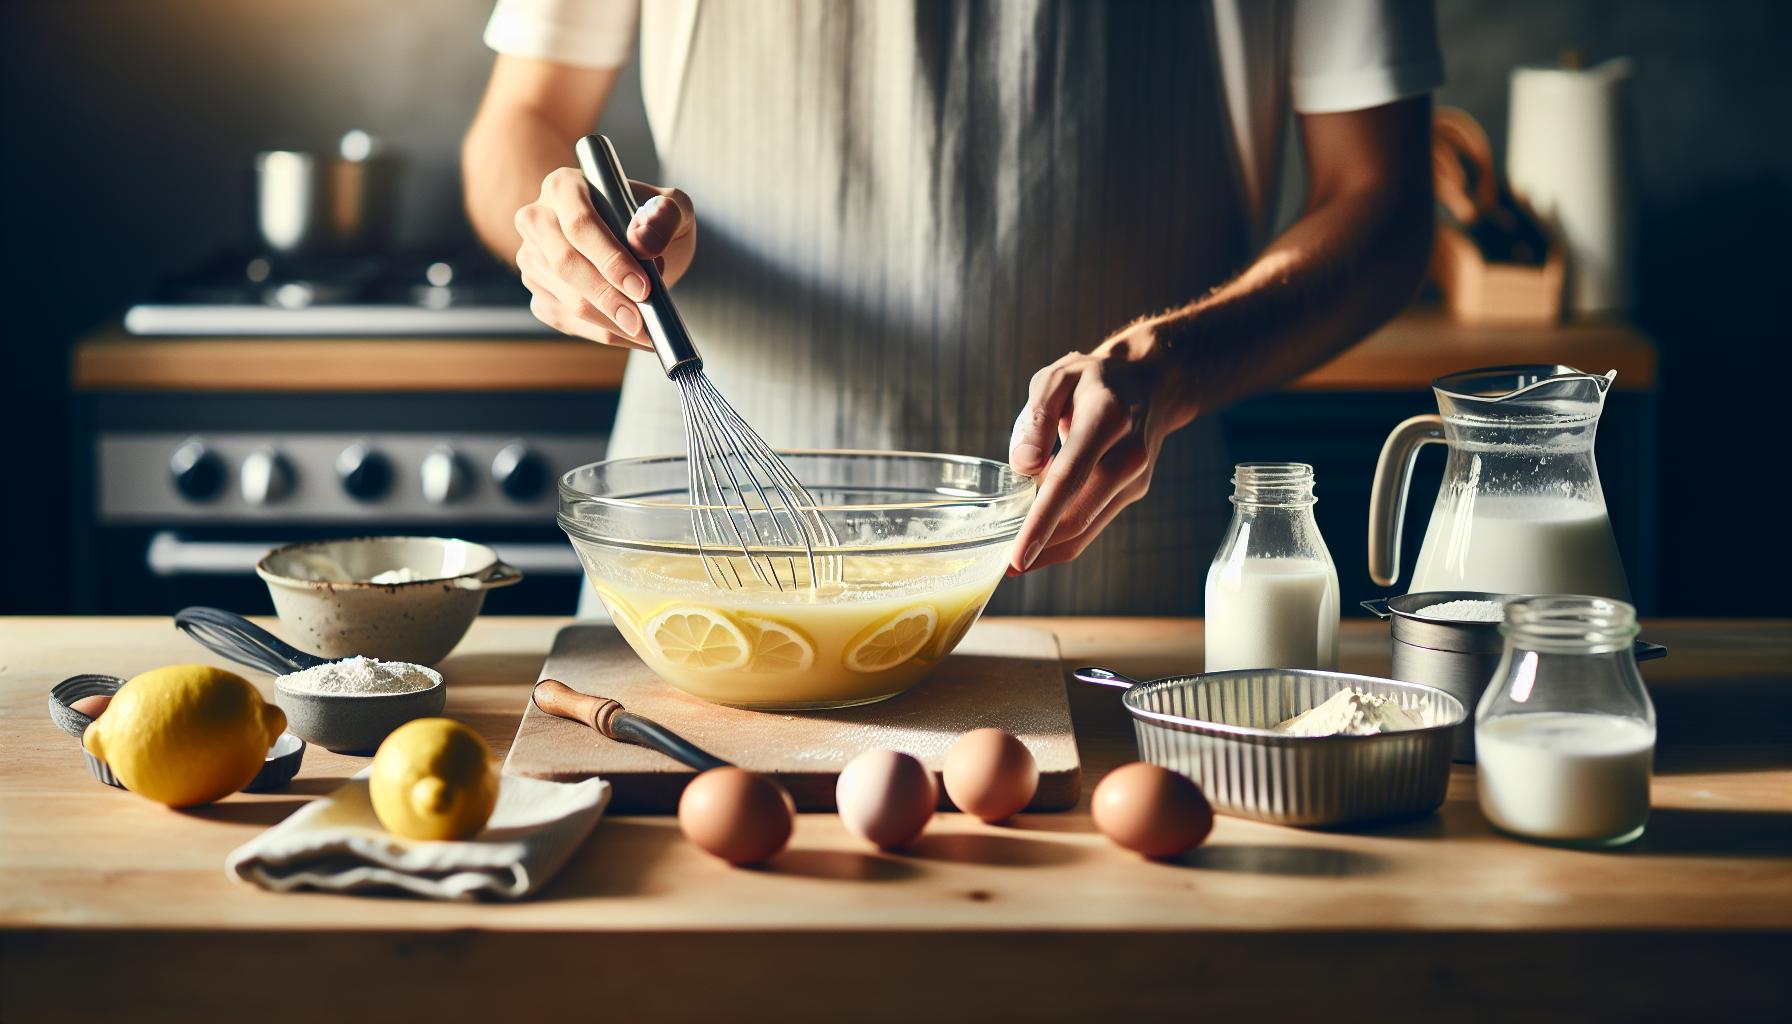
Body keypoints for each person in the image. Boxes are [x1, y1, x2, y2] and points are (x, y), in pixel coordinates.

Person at [464, 0, 1441, 614]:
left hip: (1109, 552)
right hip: (705, 551)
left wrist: (1174, 359)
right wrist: (557, 226)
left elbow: (1382, 206)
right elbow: (521, 118)